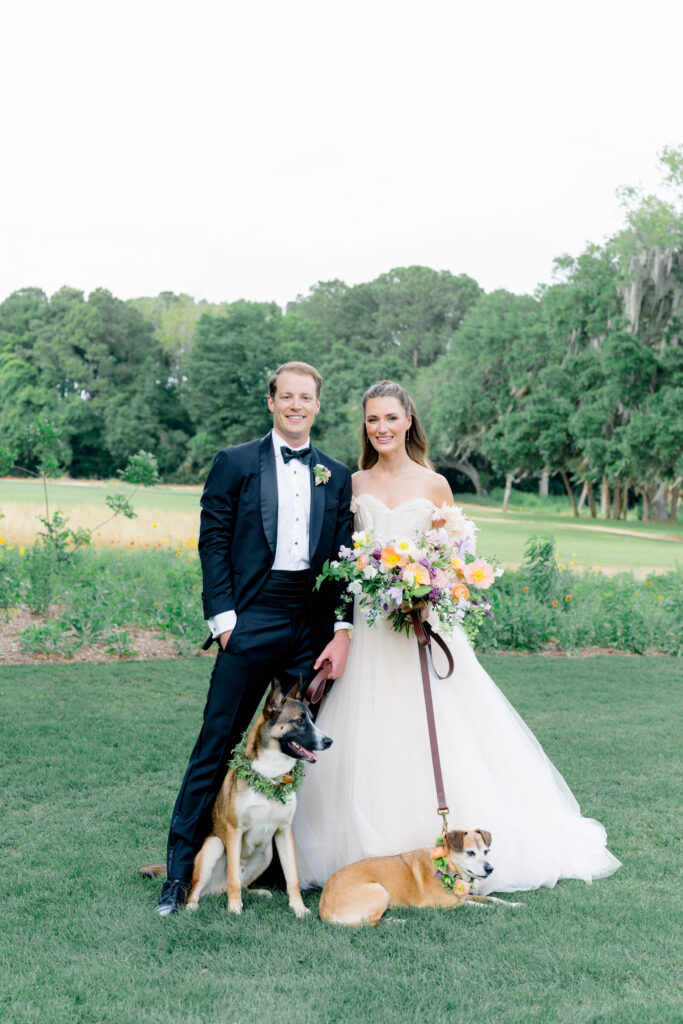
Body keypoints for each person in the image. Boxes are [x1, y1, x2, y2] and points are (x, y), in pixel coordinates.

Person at [293, 380, 621, 893]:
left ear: (408, 421)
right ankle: (359, 846)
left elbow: (452, 561)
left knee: (437, 730)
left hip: (418, 627)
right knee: (368, 727)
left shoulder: (435, 485)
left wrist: (428, 589)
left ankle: (442, 842)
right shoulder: (350, 484)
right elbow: (340, 563)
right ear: (365, 425)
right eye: (372, 419)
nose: (381, 428)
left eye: (390, 418)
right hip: (371, 629)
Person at [157, 361, 354, 916]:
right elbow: (213, 539)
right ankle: (178, 872)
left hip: (310, 628)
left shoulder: (334, 476)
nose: (296, 405)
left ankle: (265, 865)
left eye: (305, 398)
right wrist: (223, 619)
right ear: (271, 402)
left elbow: (343, 561)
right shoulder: (235, 463)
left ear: (318, 404)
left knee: (297, 746)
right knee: (216, 743)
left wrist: (341, 629)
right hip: (250, 617)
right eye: (286, 396)